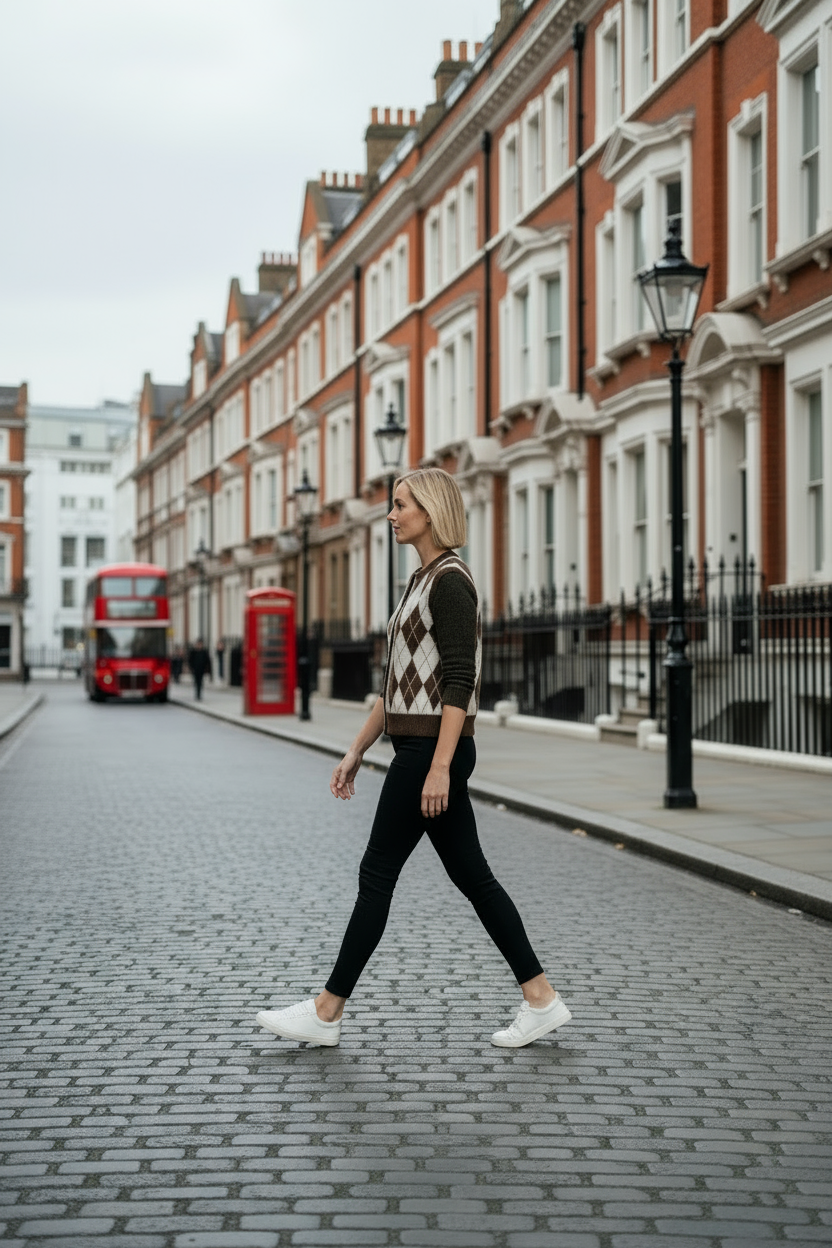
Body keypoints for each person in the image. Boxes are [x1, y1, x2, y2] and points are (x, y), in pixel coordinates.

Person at [256, 467, 571, 1049]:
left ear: (429, 510)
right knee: (474, 877)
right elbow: (394, 686)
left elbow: (459, 681)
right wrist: (355, 750)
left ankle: (326, 1012)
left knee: (376, 874)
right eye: (392, 504)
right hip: (419, 747)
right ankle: (541, 998)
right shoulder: (421, 580)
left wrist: (439, 767)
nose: (391, 514)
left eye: (401, 504)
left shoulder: (451, 580)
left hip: (432, 752)